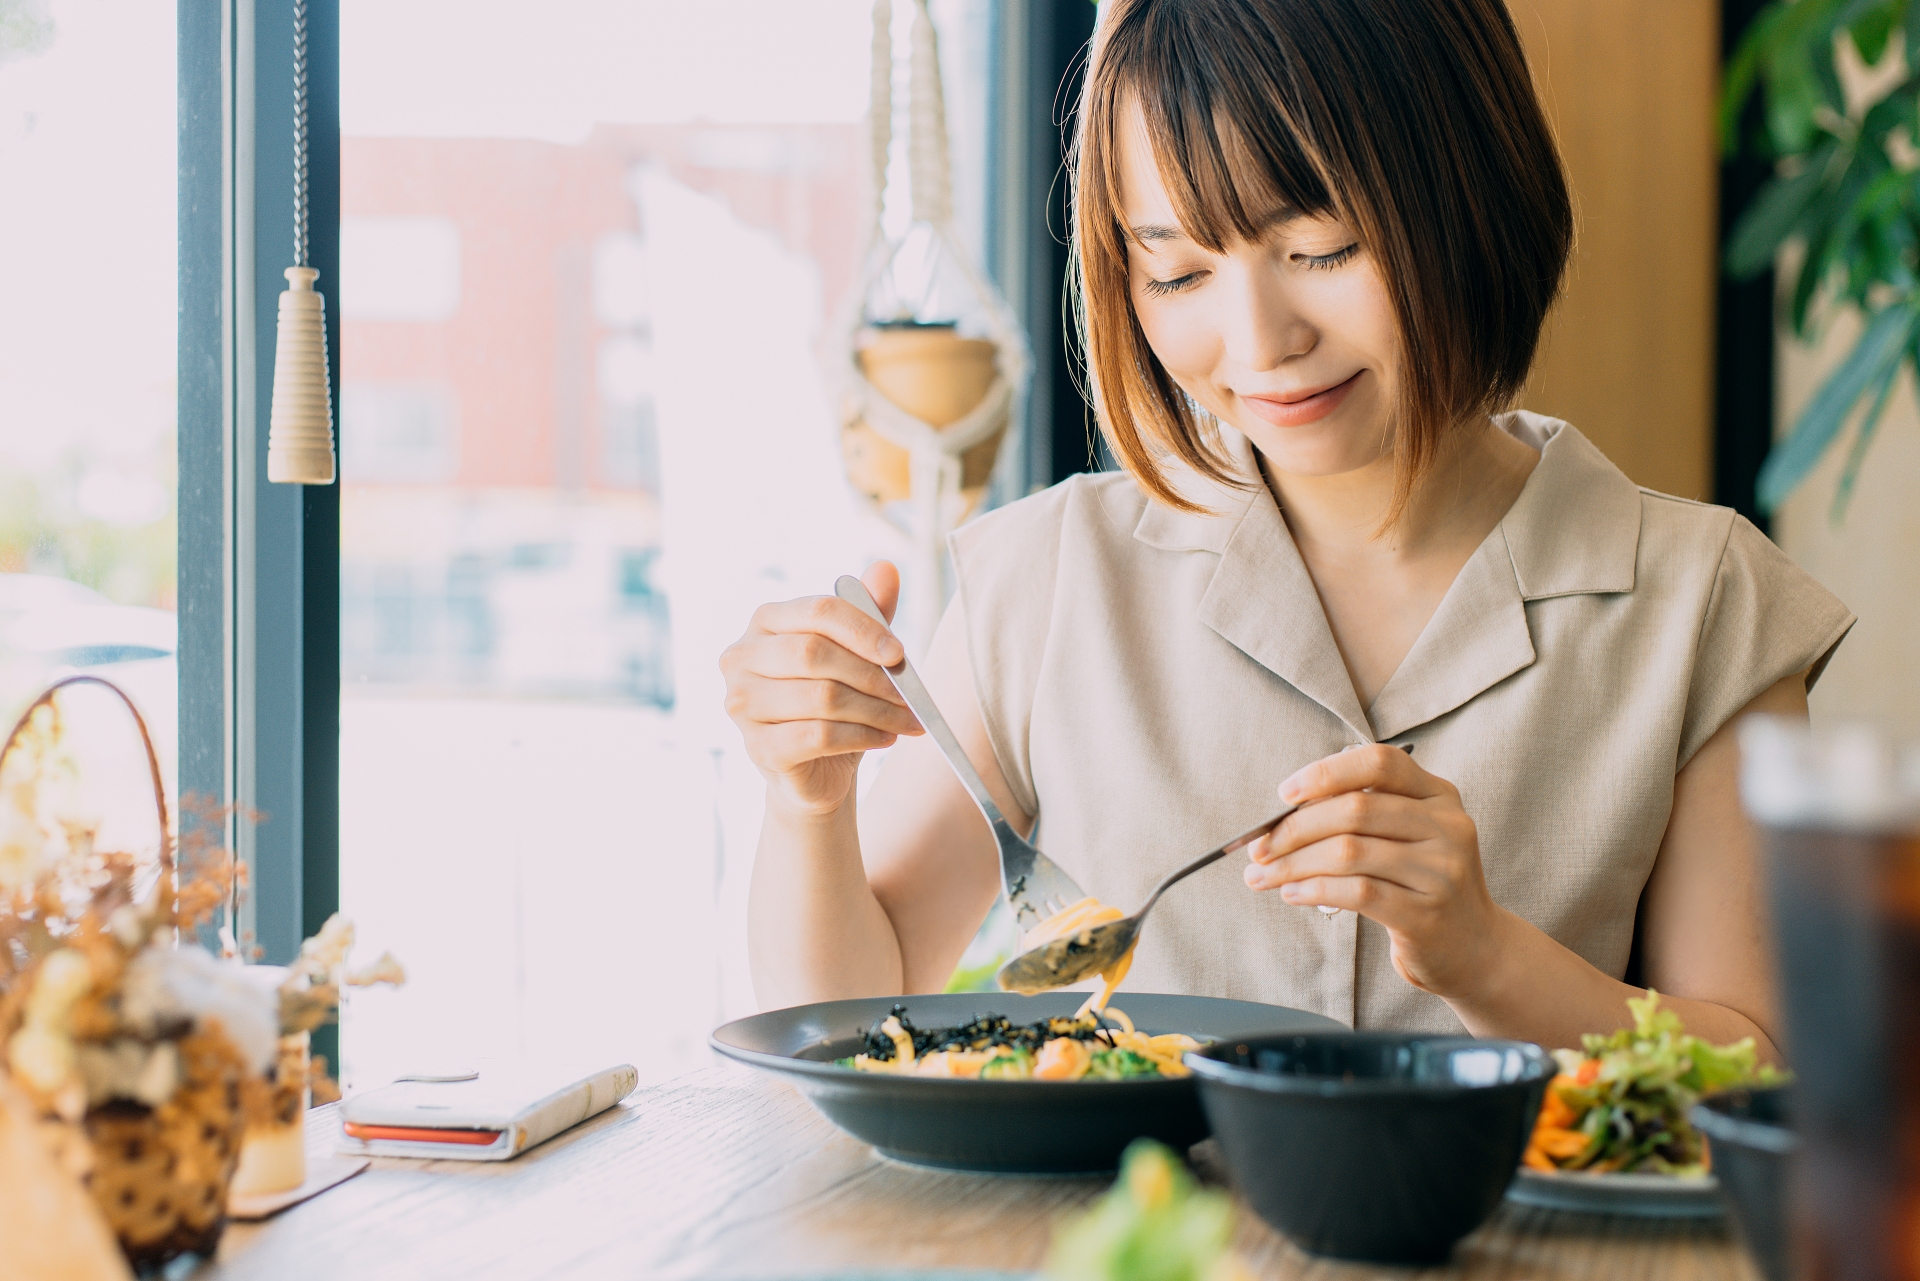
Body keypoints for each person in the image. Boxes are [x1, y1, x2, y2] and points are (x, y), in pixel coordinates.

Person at [719, 0, 1852, 1056]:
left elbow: (1759, 1071)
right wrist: (806, 806)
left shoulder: (1703, 602)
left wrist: (1488, 958)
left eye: (1321, 249)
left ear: (1469, 189)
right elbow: (847, 1027)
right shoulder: (1050, 578)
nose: (1258, 342)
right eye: (1177, 272)